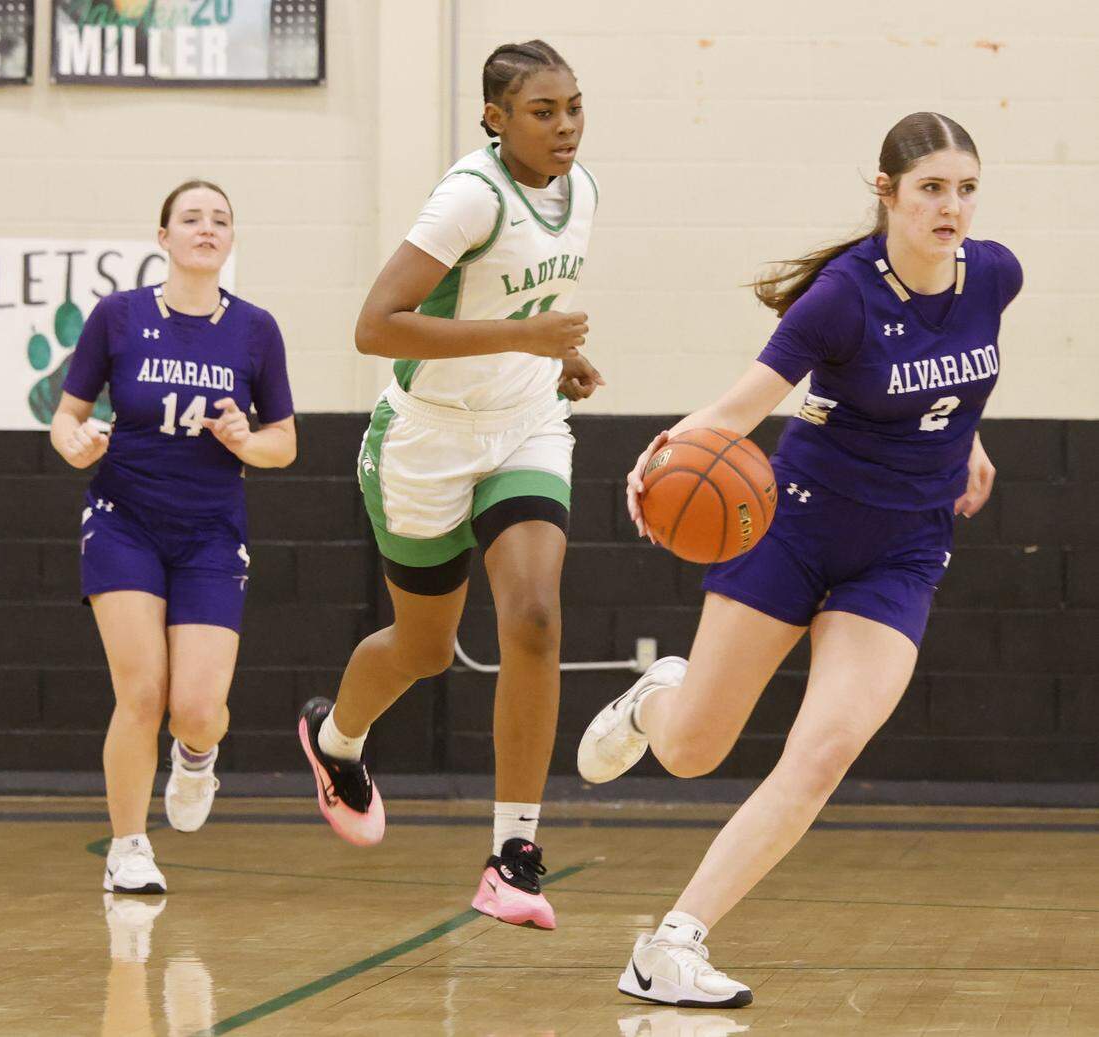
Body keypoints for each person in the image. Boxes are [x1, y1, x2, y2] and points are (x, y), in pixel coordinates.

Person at [578, 112, 1022, 1006]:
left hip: (902, 547)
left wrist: (962, 441)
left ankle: (671, 944)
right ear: (887, 193)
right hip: (798, 525)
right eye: (933, 188)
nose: (953, 207)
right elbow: (739, 408)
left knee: (824, 750)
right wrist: (658, 454)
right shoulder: (841, 298)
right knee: (696, 751)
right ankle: (659, 694)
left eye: (966, 188)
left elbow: (957, 372)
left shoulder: (997, 274)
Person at [297, 39, 602, 930]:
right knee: (425, 649)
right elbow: (374, 327)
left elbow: (527, 302)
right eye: (542, 112)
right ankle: (336, 738)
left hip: (527, 426)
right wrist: (529, 338)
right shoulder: (471, 195)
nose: (565, 126)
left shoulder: (581, 191)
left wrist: (564, 355)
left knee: (536, 616)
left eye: (574, 107)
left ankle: (513, 854)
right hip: (426, 439)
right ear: (495, 120)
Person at [51, 180, 296, 894]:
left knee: (194, 707)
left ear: (231, 239)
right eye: (191, 218)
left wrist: (247, 439)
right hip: (123, 518)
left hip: (212, 532)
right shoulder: (118, 316)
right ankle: (128, 847)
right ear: (164, 237)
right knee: (143, 690)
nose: (206, 228)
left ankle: (196, 755)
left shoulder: (255, 329)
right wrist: (76, 443)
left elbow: (285, 443)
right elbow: (66, 416)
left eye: (220, 219)